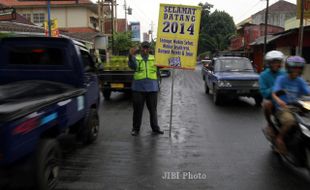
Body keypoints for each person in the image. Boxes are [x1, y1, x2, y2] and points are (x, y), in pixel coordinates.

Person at [272, 56, 310, 154]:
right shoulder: (281, 79)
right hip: (284, 108)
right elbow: (274, 93)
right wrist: (279, 100)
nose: (296, 70)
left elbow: (307, 91)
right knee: (290, 122)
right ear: (288, 68)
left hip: (297, 107)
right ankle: (279, 139)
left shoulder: (300, 80)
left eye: (299, 68)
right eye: (294, 67)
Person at [128, 41, 164, 136]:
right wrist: (130, 56)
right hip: (138, 88)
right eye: (143, 48)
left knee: (153, 110)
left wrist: (169, 55)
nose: (145, 50)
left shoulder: (155, 58)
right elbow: (133, 66)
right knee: (137, 110)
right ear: (141, 48)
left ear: (149, 49)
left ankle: (155, 128)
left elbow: (163, 64)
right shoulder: (136, 58)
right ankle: (135, 129)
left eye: (147, 48)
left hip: (152, 88)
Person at [259, 50, 285, 139]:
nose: (275, 64)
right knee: (267, 104)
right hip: (272, 101)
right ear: (269, 63)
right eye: (273, 62)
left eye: (278, 62)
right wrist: (276, 89)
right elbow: (264, 93)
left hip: (287, 100)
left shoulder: (285, 73)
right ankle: (270, 124)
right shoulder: (263, 75)